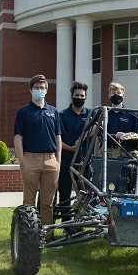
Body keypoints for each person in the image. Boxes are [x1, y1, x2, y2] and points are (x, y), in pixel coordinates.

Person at [13, 75, 62, 242]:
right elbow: (18, 137)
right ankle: (28, 236)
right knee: (29, 202)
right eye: (36, 87)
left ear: (47, 90)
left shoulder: (53, 112)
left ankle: (48, 235)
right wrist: (22, 160)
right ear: (30, 90)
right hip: (30, 159)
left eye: (42, 87)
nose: (39, 90)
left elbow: (58, 137)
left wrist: (58, 159)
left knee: (48, 202)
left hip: (51, 160)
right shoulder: (23, 112)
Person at [58, 81, 90, 221]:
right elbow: (57, 138)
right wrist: (69, 148)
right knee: (64, 192)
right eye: (77, 95)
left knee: (83, 193)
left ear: (86, 97)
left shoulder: (90, 114)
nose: (79, 98)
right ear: (72, 96)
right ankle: (66, 223)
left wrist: (81, 138)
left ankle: (79, 222)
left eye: (82, 96)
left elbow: (95, 128)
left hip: (84, 161)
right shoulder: (63, 115)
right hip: (66, 159)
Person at [106, 82, 138, 157]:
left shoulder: (131, 114)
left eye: (118, 93)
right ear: (109, 96)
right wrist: (96, 153)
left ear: (123, 95)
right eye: (113, 93)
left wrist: (125, 136)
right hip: (105, 151)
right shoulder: (104, 113)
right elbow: (97, 136)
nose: (116, 95)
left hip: (124, 151)